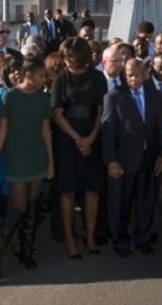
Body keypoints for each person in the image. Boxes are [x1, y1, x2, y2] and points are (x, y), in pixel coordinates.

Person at [0, 57, 54, 278]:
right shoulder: (10, 96)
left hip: (36, 154)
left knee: (33, 205)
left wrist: (50, 161)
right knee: (18, 206)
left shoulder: (43, 98)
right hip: (16, 154)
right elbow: (2, 131)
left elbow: (46, 132)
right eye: (42, 75)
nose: (45, 79)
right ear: (28, 75)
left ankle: (27, 252)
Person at [101, 59, 162, 258]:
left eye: (137, 74)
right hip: (123, 161)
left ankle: (143, 240)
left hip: (148, 158)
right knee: (121, 203)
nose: (134, 79)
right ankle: (120, 241)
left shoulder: (153, 95)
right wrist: (111, 161)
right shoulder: (114, 97)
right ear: (124, 75)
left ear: (145, 74)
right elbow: (107, 131)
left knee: (146, 202)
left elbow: (159, 127)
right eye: (129, 75)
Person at [50, 37, 107, 259]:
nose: (66, 60)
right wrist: (78, 140)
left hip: (93, 137)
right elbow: (57, 114)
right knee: (68, 192)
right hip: (67, 141)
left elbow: (102, 110)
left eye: (70, 56)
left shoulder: (98, 78)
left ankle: (90, 235)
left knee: (92, 190)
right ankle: (70, 239)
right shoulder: (60, 80)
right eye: (63, 56)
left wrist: (90, 138)